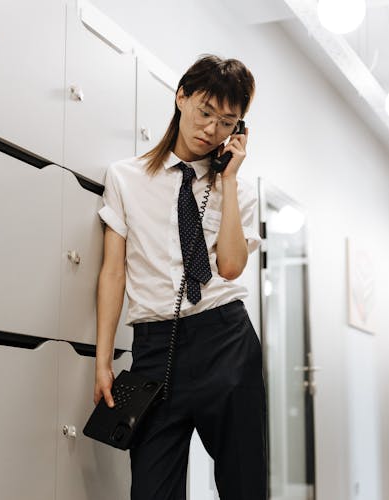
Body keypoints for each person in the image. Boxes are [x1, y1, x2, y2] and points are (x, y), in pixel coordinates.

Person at [94, 54, 266, 500]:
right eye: (205, 111)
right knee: (152, 490)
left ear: (239, 131)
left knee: (244, 485)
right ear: (181, 97)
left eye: (227, 122)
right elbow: (113, 272)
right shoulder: (125, 177)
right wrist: (103, 361)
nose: (211, 129)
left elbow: (230, 266)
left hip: (224, 340)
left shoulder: (240, 190)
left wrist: (228, 182)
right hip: (155, 350)